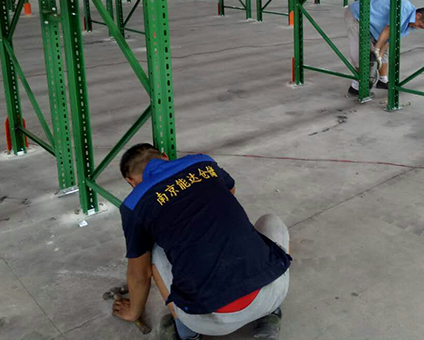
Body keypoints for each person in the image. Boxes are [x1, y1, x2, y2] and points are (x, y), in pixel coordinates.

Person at [112, 143, 291, 340]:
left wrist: (133, 312)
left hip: (210, 322)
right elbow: (230, 190)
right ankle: (270, 316)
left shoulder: (134, 204)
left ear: (131, 181)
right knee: (271, 221)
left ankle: (187, 333)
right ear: (164, 156)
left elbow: (140, 273)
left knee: (152, 250)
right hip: (273, 295)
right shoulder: (202, 162)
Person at [344, 0, 424, 95]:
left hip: (373, 22)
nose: (417, 28)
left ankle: (382, 81)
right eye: (419, 25)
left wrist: (379, 56)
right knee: (362, 51)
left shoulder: (407, 25)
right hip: (357, 14)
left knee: (381, 53)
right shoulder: (404, 8)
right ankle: (356, 86)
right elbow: (388, 29)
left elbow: (388, 40)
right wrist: (376, 49)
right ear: (418, 15)